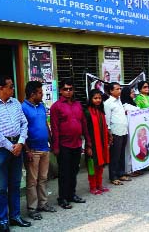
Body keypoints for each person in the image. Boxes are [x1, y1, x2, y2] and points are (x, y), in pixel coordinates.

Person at [0, 75, 30, 232]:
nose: (13, 89)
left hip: (17, 144)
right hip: (0, 148)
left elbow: (24, 123)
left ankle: (15, 216)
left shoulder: (15, 102)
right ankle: (3, 220)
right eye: (10, 86)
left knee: (15, 184)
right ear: (1, 88)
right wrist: (11, 146)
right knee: (2, 187)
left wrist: (21, 142)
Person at [50, 79, 91, 209]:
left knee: (74, 171)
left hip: (77, 143)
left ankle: (72, 194)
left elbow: (84, 124)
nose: (68, 92)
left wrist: (88, 142)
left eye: (70, 89)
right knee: (64, 173)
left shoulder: (78, 105)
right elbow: (55, 128)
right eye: (66, 89)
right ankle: (62, 198)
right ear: (61, 91)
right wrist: (55, 146)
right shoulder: (56, 107)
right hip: (63, 145)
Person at [21, 81, 56, 221]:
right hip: (32, 150)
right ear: (32, 94)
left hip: (44, 148)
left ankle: (43, 203)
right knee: (32, 180)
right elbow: (21, 130)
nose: (42, 95)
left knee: (43, 178)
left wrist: (51, 141)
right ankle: (32, 208)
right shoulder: (23, 108)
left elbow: (45, 125)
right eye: (40, 92)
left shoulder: (41, 106)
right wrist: (27, 150)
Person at [104, 82, 131, 185]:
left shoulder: (119, 100)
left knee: (121, 154)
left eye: (120, 89)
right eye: (117, 89)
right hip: (115, 132)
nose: (119, 90)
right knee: (115, 155)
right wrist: (109, 133)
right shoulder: (108, 103)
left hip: (123, 130)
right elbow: (108, 119)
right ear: (111, 91)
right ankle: (113, 176)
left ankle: (121, 173)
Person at [84, 89, 110, 195]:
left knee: (100, 165)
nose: (98, 100)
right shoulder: (86, 112)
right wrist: (88, 146)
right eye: (95, 98)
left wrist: (108, 136)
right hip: (92, 144)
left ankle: (99, 185)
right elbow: (85, 130)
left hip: (102, 143)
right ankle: (93, 187)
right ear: (90, 99)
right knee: (92, 166)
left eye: (99, 98)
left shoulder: (100, 111)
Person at [120, 86, 143, 176]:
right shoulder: (125, 106)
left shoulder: (133, 103)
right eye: (132, 92)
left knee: (135, 148)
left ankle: (135, 167)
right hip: (129, 130)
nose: (134, 93)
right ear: (127, 94)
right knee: (128, 150)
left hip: (136, 130)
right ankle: (128, 170)